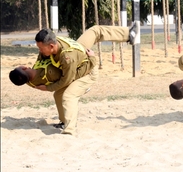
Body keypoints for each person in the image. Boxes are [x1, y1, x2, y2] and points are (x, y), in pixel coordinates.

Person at [9, 23, 139, 135]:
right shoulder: (51, 45)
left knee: (68, 95)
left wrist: (92, 59)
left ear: (52, 46)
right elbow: (43, 64)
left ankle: (69, 130)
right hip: (79, 53)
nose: (40, 51)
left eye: (41, 49)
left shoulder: (67, 58)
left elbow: (68, 80)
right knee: (95, 31)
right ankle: (64, 122)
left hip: (86, 71)